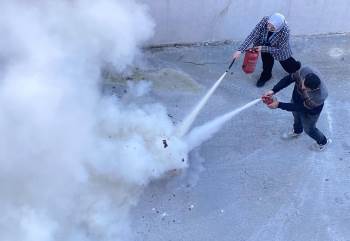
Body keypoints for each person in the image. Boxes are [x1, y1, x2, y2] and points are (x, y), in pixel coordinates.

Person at [263, 66, 331, 151]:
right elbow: (289, 79)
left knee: (309, 129)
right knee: (296, 117)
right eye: (303, 84)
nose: (302, 88)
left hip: (311, 110)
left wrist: (278, 105)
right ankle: (297, 131)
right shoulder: (305, 71)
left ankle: (323, 142)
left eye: (306, 89)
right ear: (305, 77)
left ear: (315, 89)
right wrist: (273, 90)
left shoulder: (319, 96)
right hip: (297, 99)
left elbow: (301, 108)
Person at [232, 13, 300, 87]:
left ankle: (295, 67)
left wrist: (263, 48)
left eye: (272, 28)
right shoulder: (265, 20)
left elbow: (280, 49)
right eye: (268, 25)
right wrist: (240, 50)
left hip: (278, 47)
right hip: (263, 43)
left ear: (279, 28)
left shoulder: (285, 31)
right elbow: (253, 35)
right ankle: (266, 76)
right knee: (266, 62)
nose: (268, 28)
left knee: (287, 64)